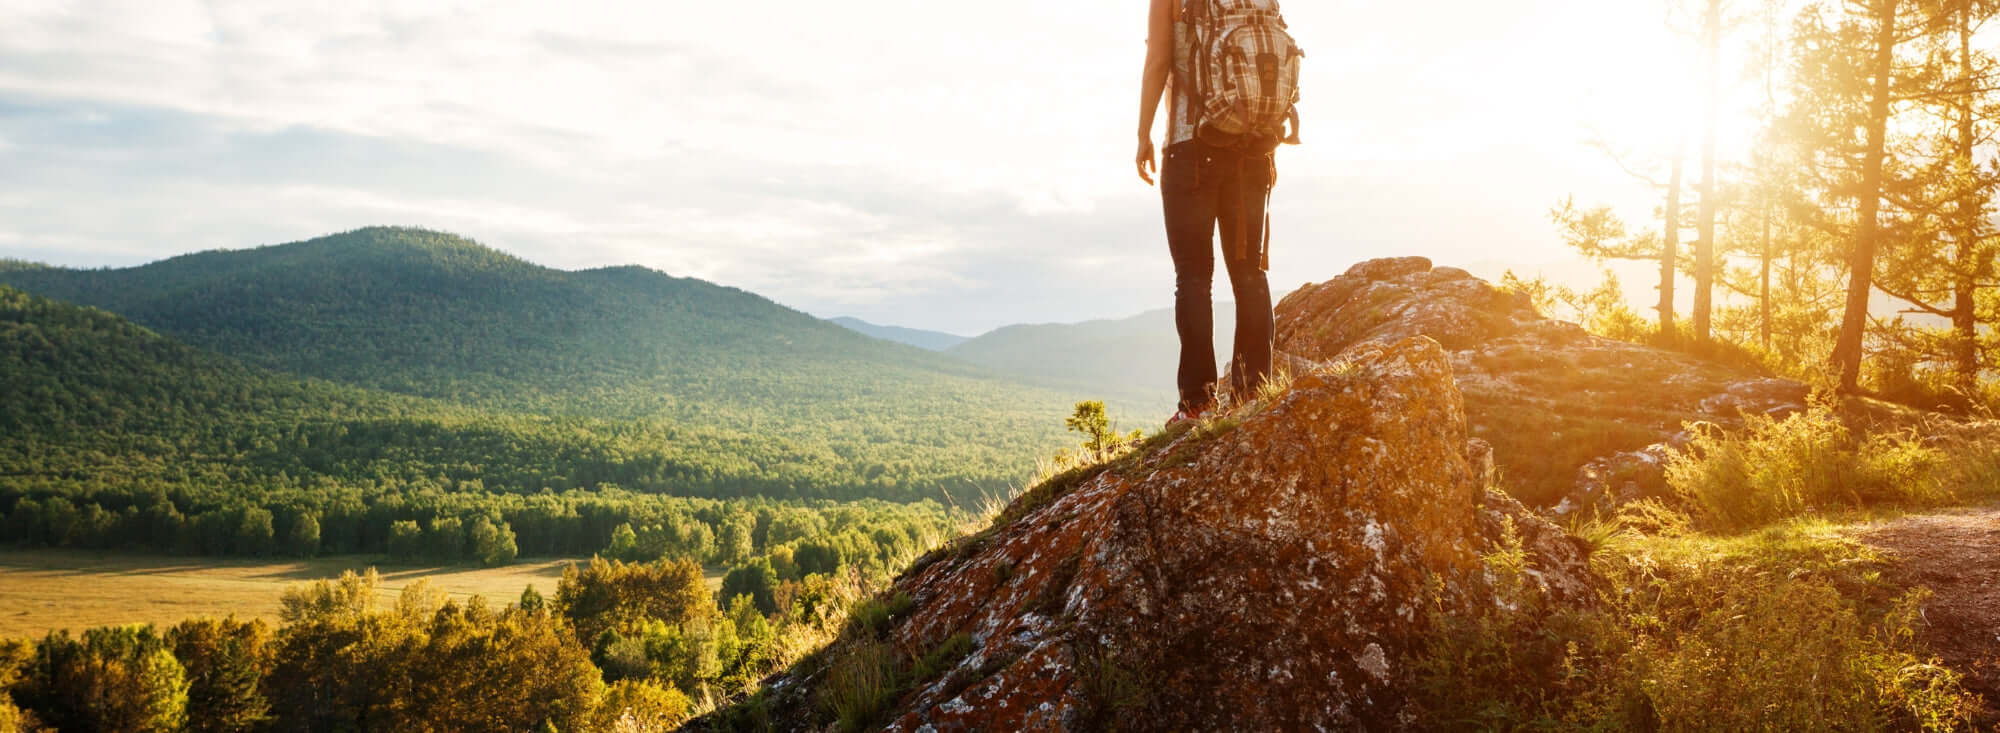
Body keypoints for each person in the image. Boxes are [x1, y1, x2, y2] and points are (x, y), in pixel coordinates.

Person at [1136, 0, 1278, 427]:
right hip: (1253, 150)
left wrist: (1143, 134)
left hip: (1190, 148)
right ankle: (1253, 393)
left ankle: (1197, 403)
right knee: (1250, 271)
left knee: (1195, 277)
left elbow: (1158, 60)